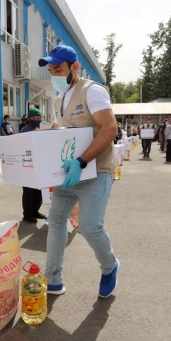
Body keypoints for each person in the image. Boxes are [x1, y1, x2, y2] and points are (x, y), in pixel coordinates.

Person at [39, 45, 119, 298]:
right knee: (56, 222)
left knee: (89, 226)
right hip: (69, 172)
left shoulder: (92, 91)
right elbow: (61, 133)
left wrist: (81, 161)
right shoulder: (59, 98)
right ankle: (52, 279)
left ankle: (109, 267)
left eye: (58, 69)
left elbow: (109, 129)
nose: (54, 74)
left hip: (96, 169)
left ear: (74, 67)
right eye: (51, 70)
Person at [20, 108, 46, 223]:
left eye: (38, 118)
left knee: (38, 191)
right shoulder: (25, 131)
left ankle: (35, 211)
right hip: (28, 167)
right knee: (29, 192)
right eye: (34, 118)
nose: (36, 120)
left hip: (38, 166)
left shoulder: (38, 129)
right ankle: (27, 215)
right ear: (29, 119)